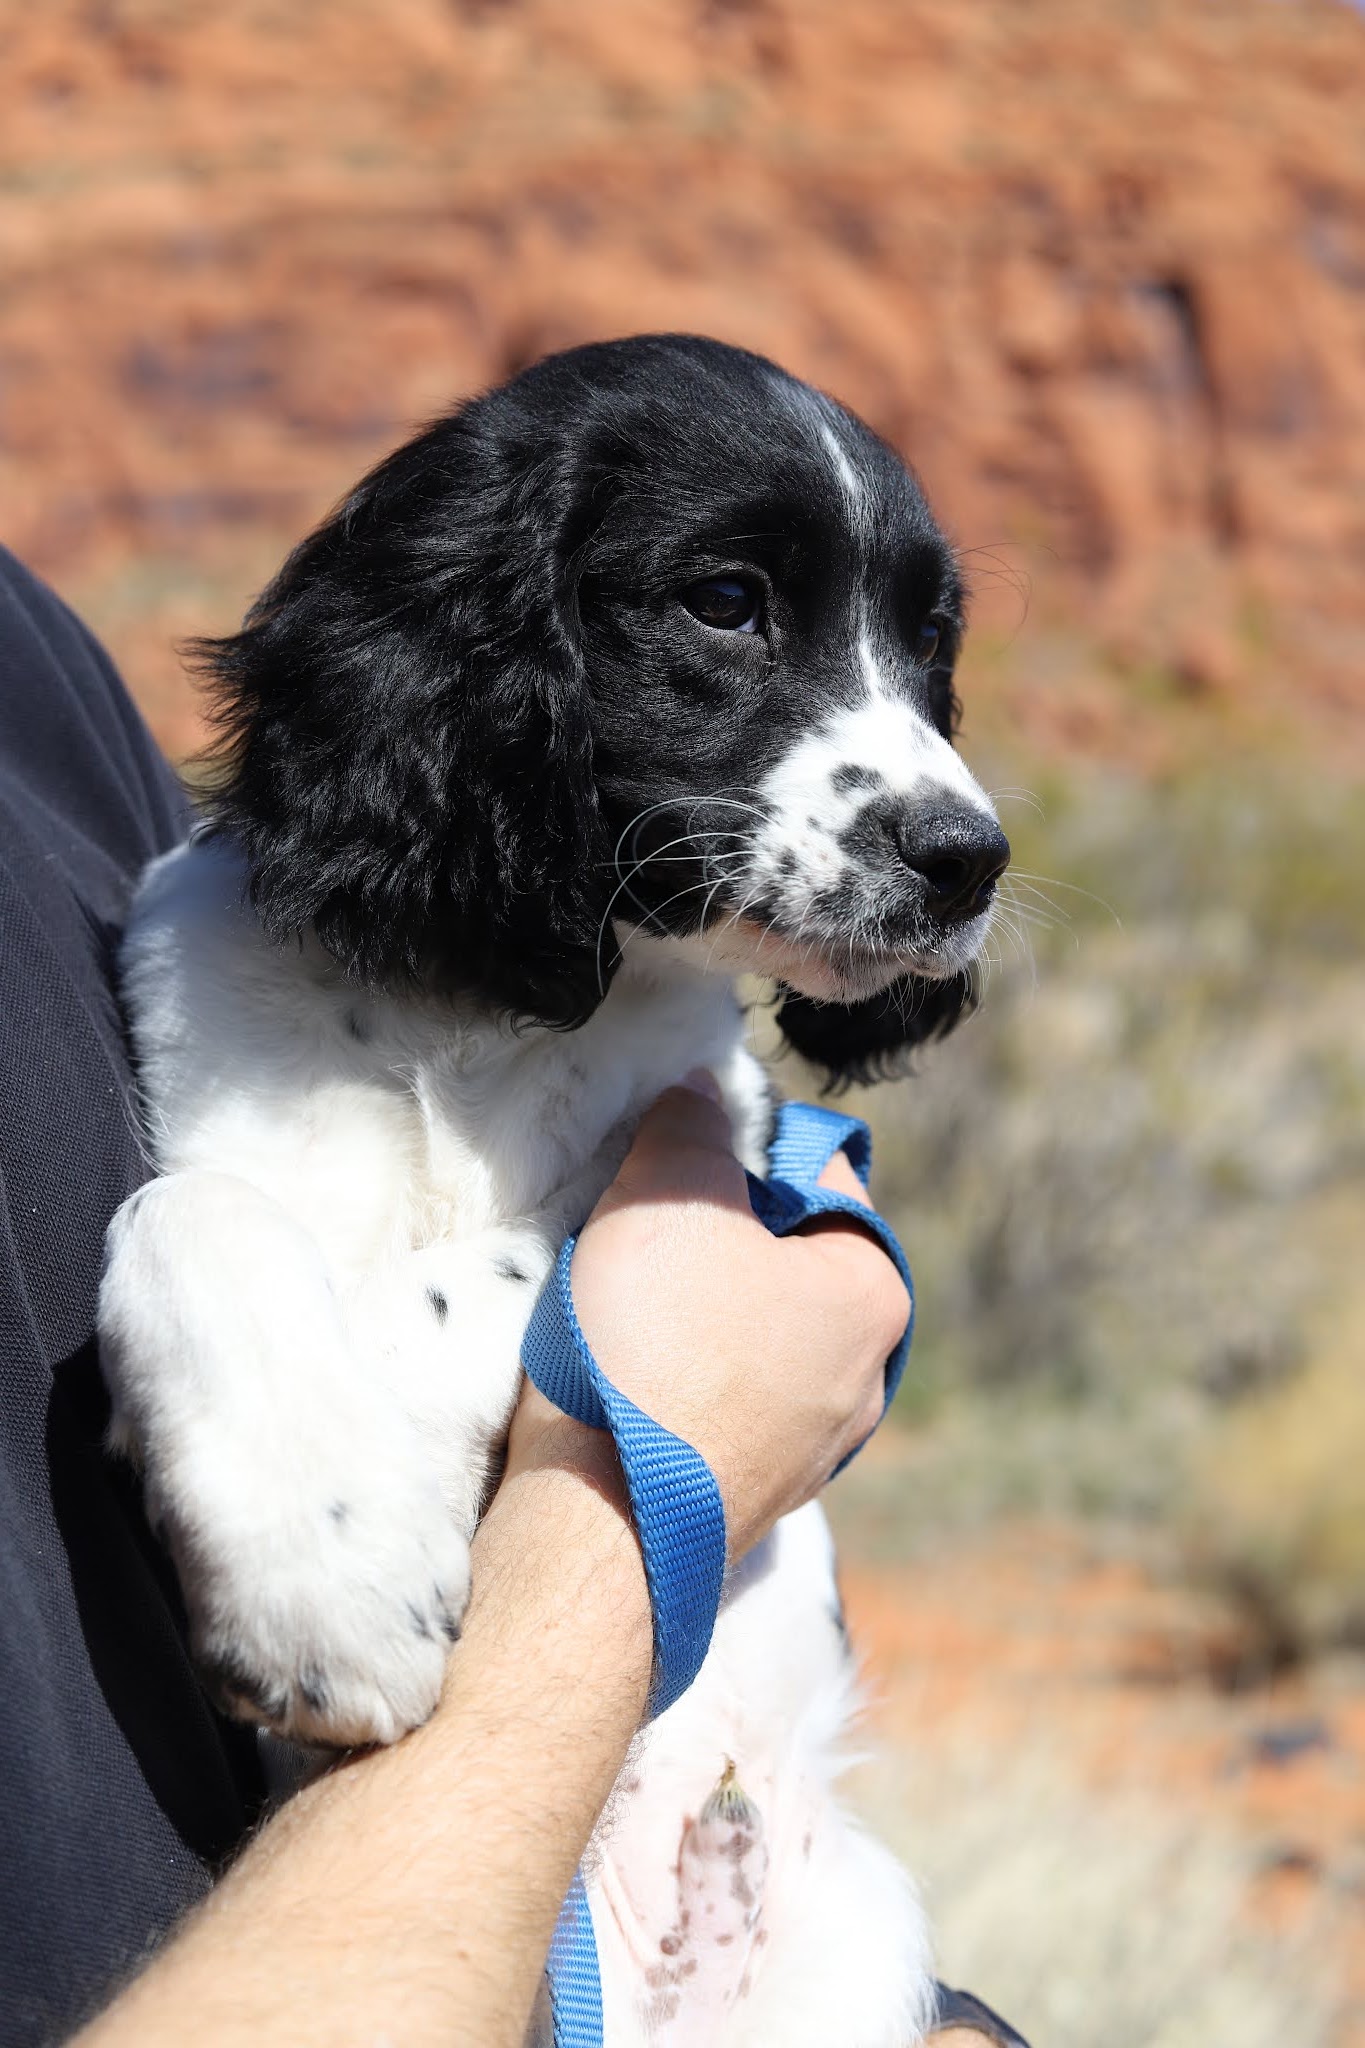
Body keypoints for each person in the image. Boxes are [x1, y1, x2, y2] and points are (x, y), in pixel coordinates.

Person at [0, 545, 1024, 2048]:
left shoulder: (41, 683)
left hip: (794, 1927)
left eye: (919, 644)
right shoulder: (208, 933)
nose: (945, 794)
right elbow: (682, 1369)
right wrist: (642, 1462)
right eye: (727, 603)